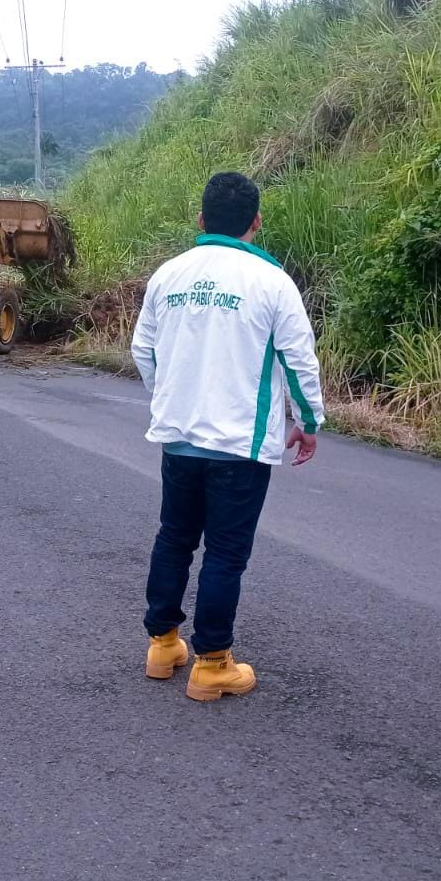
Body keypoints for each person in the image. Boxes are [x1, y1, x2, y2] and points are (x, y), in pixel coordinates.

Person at [130, 171, 324, 703]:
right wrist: (307, 423)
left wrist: (170, 398)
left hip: (179, 438)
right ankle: (213, 664)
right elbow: (299, 361)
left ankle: (163, 645)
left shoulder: (169, 274)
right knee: (225, 552)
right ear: (256, 222)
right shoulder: (272, 281)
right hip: (240, 445)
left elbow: (143, 350)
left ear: (201, 219)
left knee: (174, 538)